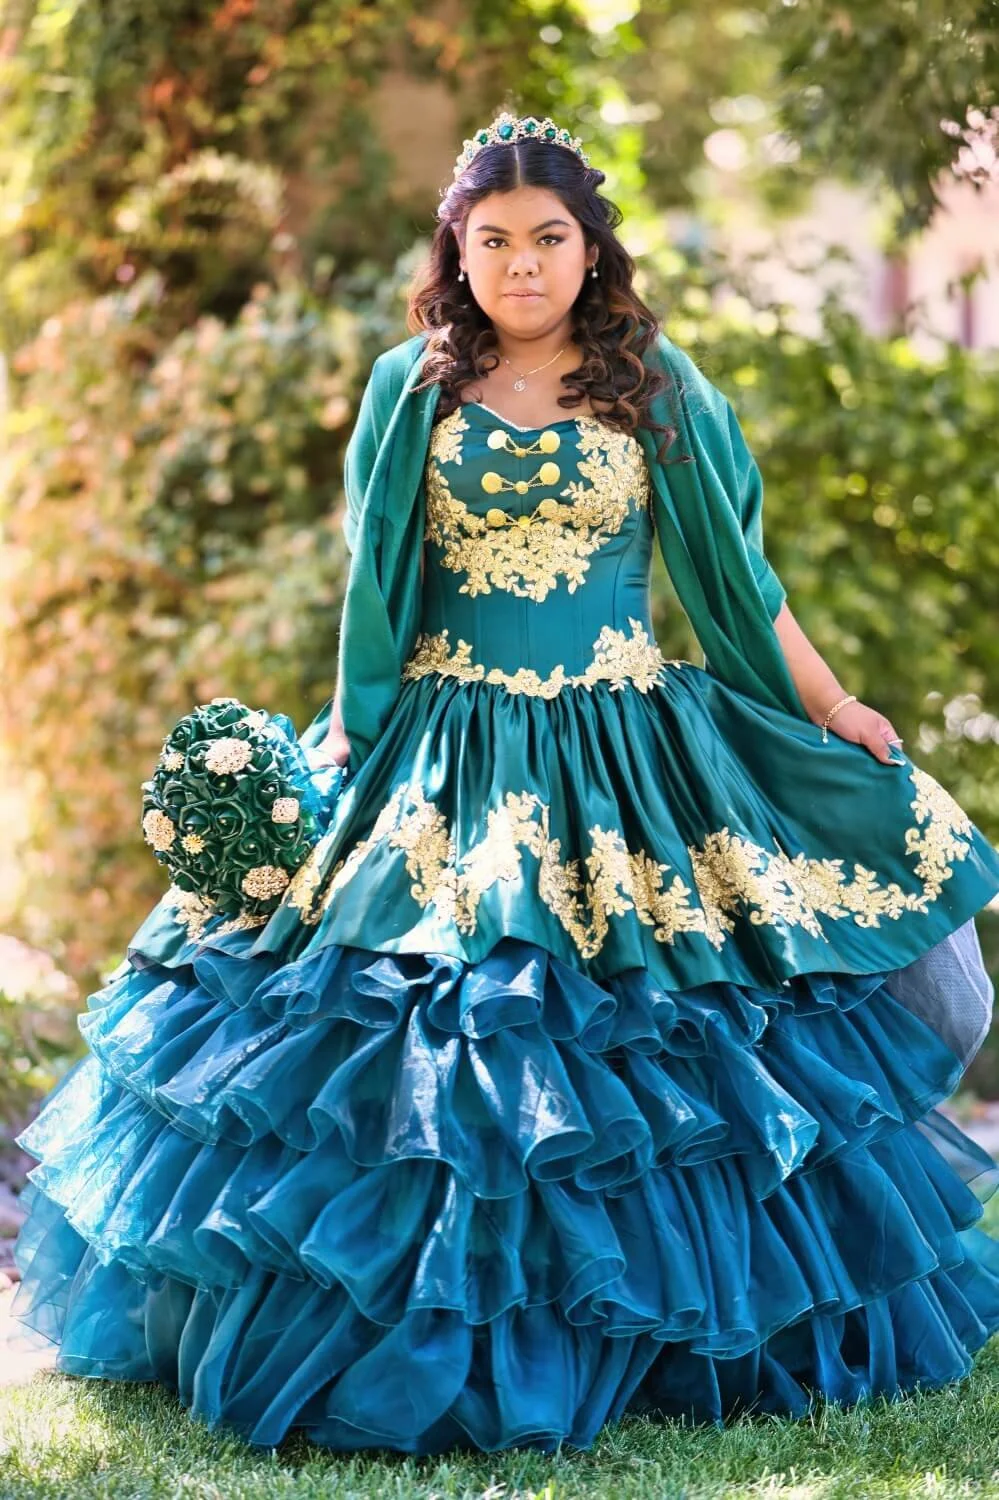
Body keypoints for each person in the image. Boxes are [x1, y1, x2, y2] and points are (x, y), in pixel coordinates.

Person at [7, 109, 999, 1457]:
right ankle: (425, 1326)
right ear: (455, 253)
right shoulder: (407, 390)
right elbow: (377, 587)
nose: (520, 265)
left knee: (643, 1047)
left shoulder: (658, 389)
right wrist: (347, 740)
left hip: (625, 755)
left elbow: (735, 587)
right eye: (492, 241)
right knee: (430, 1029)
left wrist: (827, 706)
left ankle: (653, 1325)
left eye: (547, 239)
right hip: (440, 749)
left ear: (591, 251)